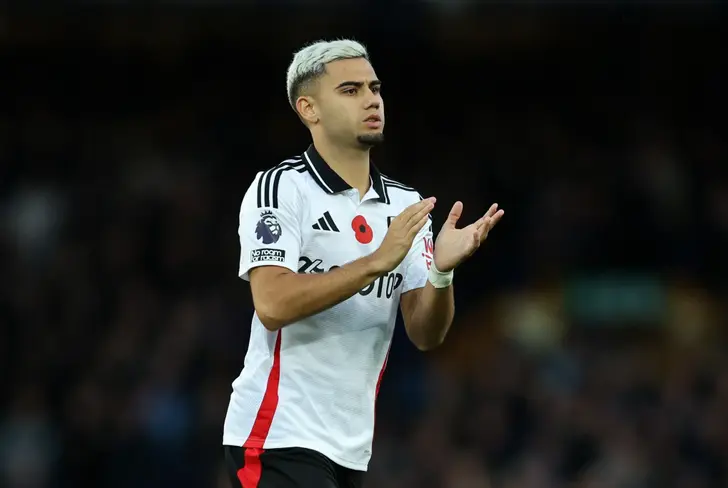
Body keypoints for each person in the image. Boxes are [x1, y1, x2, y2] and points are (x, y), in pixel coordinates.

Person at [222, 39, 504, 488]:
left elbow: (426, 333)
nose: (372, 100)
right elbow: (272, 304)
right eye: (350, 90)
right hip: (277, 432)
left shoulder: (406, 205)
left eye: (375, 88)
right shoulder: (280, 188)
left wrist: (441, 272)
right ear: (309, 109)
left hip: (351, 449)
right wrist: (376, 262)